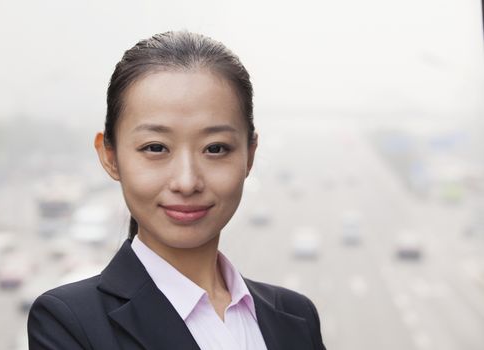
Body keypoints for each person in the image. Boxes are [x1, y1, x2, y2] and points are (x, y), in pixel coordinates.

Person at [27, 30, 326, 350]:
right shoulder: (69, 323)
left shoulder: (296, 317)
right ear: (110, 157)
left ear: (249, 156)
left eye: (215, 149)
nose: (186, 182)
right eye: (156, 147)